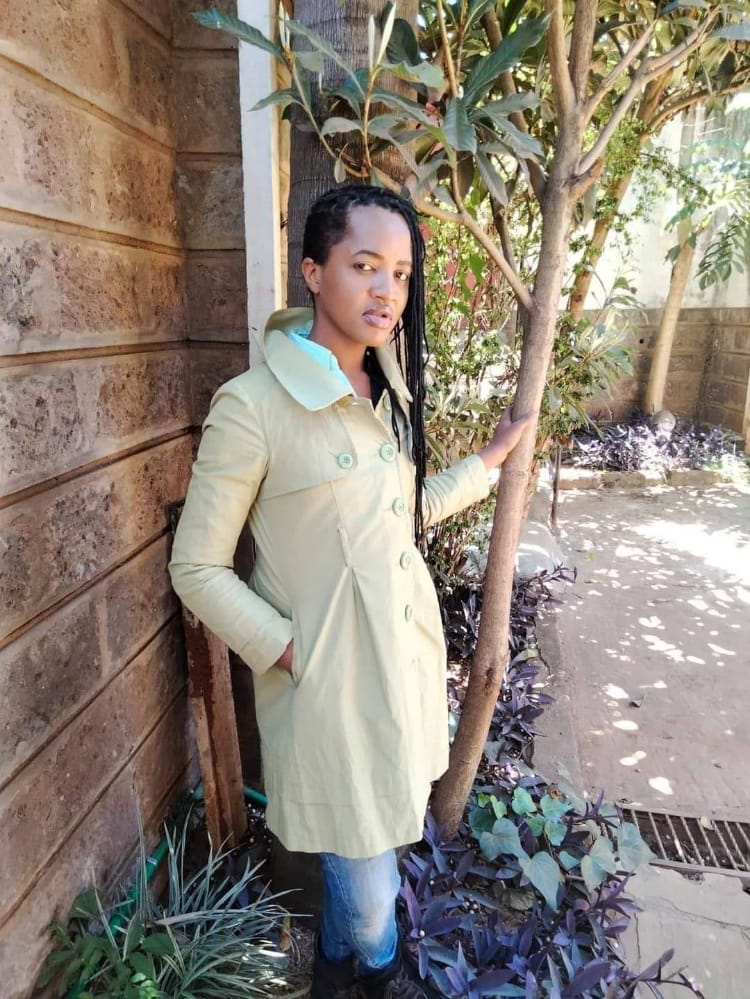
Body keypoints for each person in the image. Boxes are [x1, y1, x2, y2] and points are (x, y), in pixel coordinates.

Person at [169, 185, 531, 998]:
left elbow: (399, 513)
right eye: (364, 265)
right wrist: (289, 648)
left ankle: (332, 977)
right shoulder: (254, 406)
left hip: (398, 666)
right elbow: (195, 566)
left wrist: (489, 461)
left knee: (366, 857)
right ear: (312, 272)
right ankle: (376, 974)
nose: (386, 290)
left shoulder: (385, 386)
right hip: (328, 687)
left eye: (399, 273)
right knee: (372, 903)